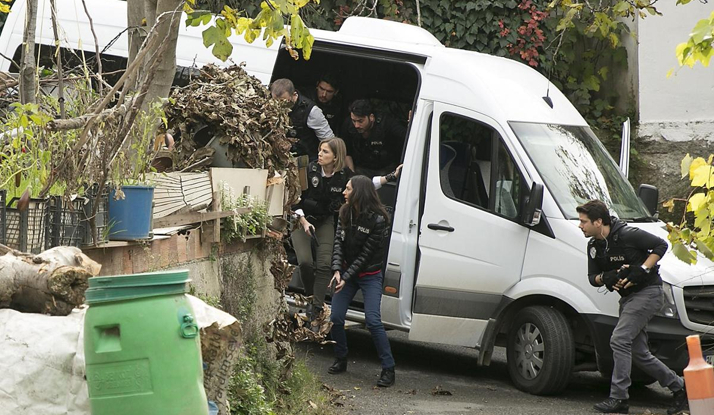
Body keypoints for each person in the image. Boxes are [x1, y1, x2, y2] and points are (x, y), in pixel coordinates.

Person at [576, 200, 688, 415]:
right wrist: (607, 277)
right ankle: (680, 387)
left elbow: (660, 245)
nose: (580, 226)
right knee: (638, 352)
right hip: (628, 299)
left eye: (584, 222)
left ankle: (619, 398)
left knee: (619, 339)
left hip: (648, 293)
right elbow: (593, 278)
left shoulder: (627, 234)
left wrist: (643, 269)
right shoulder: (593, 246)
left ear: (598, 222)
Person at [327, 175, 396, 387]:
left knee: (373, 321)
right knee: (336, 317)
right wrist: (337, 270)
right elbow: (338, 243)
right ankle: (341, 358)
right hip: (347, 273)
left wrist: (345, 277)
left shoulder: (378, 219)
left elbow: (365, 256)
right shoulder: (344, 211)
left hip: (369, 275)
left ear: (359, 192)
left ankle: (388, 369)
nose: (343, 192)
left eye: (348, 189)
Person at [270, 78, 334, 160]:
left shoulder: (311, 111)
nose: (279, 105)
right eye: (275, 101)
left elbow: (329, 141)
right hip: (280, 158)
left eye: (283, 101)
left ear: (293, 94)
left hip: (306, 159)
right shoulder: (270, 106)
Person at [342, 99, 407, 176]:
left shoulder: (387, 124)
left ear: (371, 117)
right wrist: (351, 174)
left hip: (387, 170)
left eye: (360, 121)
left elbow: (407, 138)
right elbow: (346, 152)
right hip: (360, 169)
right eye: (354, 121)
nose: (356, 125)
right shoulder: (348, 125)